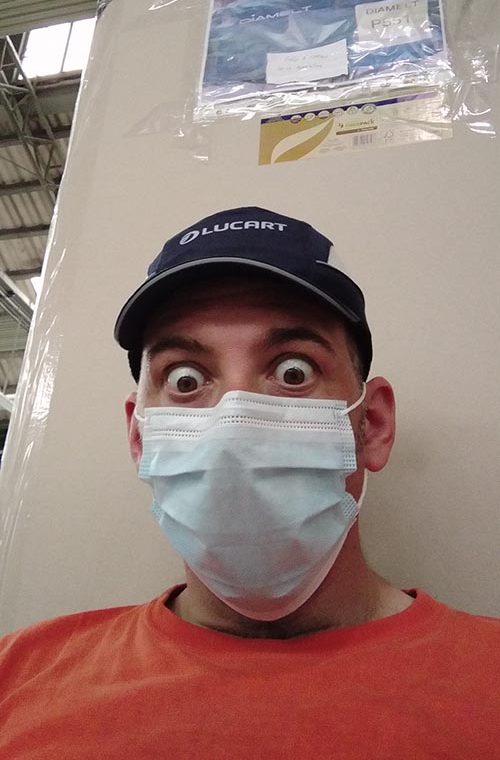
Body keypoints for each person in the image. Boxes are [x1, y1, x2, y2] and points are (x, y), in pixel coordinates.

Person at [1, 205, 499, 760]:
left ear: (373, 425)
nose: (234, 424)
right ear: (140, 438)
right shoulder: (17, 678)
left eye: (293, 371)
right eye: (184, 379)